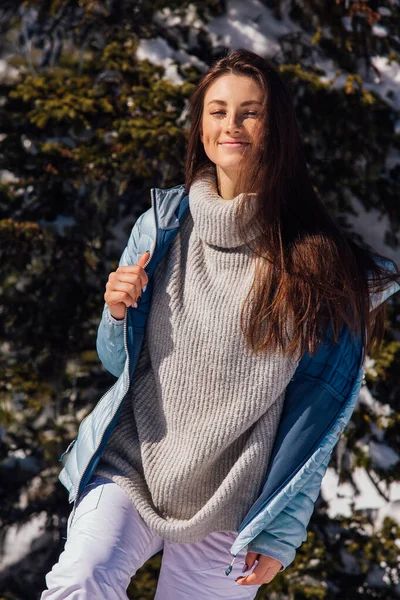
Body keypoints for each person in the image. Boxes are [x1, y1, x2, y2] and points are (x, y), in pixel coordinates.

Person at [41, 47, 400, 599]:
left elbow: (316, 419)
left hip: (236, 494)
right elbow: (120, 364)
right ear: (200, 125)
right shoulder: (161, 228)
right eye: (217, 111)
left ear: (276, 128)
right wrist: (116, 314)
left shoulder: (316, 262)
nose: (230, 125)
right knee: (81, 580)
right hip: (133, 464)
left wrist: (280, 532)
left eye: (249, 112)